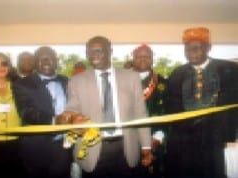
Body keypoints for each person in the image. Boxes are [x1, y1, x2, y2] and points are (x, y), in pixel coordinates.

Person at [57, 36, 153, 178]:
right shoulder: (77, 80)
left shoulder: (131, 77)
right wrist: (71, 118)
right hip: (92, 149)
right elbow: (72, 108)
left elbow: (140, 113)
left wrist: (146, 146)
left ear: (110, 52)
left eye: (98, 51)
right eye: (89, 51)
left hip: (126, 148)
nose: (93, 55)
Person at [165, 27, 238, 178]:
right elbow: (170, 107)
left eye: (197, 48)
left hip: (217, 138)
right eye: (187, 49)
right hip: (183, 139)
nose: (191, 52)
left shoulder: (229, 69)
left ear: (208, 48)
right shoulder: (177, 73)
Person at [13, 46, 72, 178]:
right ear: (34, 62)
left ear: (56, 62)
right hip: (36, 147)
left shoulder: (67, 81)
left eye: (50, 58)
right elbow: (26, 112)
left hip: (63, 145)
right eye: (41, 59)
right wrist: (54, 120)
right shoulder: (22, 84)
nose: (46, 61)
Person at [132, 44, 168, 177]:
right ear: (133, 59)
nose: (143, 59)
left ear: (153, 59)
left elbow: (168, 113)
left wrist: (156, 139)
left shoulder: (165, 83)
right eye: (139, 56)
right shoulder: (121, 82)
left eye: (147, 56)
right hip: (127, 142)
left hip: (156, 141)